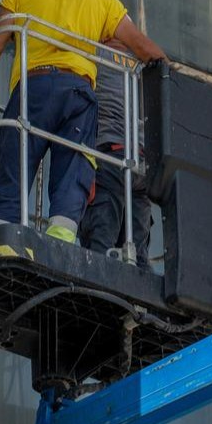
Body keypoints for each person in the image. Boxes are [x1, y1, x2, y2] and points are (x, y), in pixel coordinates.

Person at [0, 0, 165, 243]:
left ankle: (2, 233)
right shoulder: (103, 0)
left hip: (33, 88)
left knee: (16, 160)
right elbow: (146, 50)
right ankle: (62, 235)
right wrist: (175, 83)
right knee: (74, 164)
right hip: (78, 93)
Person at [78, 39, 153, 263]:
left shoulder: (90, 52)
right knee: (137, 252)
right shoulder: (140, 63)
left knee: (100, 246)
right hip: (141, 161)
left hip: (109, 155)